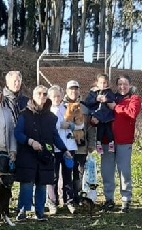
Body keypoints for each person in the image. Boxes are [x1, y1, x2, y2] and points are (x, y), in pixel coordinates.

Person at [14, 85, 72, 222]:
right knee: (27, 184)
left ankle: (40, 211)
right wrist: (30, 142)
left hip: (45, 154)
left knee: (42, 184)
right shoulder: (24, 114)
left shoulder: (51, 117)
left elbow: (55, 136)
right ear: (33, 96)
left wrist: (64, 150)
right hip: (27, 154)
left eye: (45, 94)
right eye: (39, 94)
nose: (42, 97)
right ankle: (22, 211)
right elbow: (18, 133)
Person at [98, 75, 141, 213]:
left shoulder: (134, 99)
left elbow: (132, 113)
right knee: (107, 171)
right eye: (120, 84)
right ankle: (109, 199)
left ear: (130, 85)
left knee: (124, 171)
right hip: (107, 141)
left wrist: (116, 107)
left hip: (124, 141)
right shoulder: (110, 97)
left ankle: (126, 199)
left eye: (125, 84)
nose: (122, 87)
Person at [63, 80, 96, 206]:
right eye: (71, 89)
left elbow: (91, 128)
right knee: (65, 174)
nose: (74, 91)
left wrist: (91, 144)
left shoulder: (85, 108)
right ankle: (66, 198)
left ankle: (77, 197)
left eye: (76, 89)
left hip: (81, 147)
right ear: (66, 91)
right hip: (65, 147)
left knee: (79, 173)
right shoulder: (61, 106)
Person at [47, 85, 77, 214]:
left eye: (58, 96)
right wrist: (60, 125)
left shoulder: (67, 108)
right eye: (54, 96)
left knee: (67, 175)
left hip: (69, 147)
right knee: (53, 176)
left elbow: (77, 124)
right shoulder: (47, 111)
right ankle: (52, 202)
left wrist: (71, 125)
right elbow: (48, 126)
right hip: (54, 147)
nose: (56, 98)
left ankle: (69, 201)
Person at [85, 73, 117, 154]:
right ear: (97, 83)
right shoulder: (93, 92)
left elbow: (113, 100)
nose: (102, 85)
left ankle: (111, 143)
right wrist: (96, 99)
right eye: (101, 83)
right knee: (100, 129)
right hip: (98, 115)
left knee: (109, 129)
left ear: (107, 83)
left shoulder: (109, 92)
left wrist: (107, 100)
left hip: (107, 115)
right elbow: (88, 102)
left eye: (104, 83)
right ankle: (98, 143)